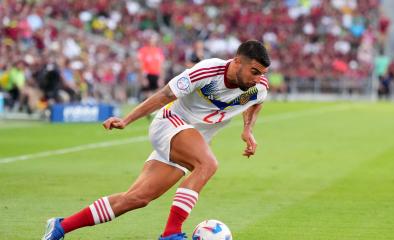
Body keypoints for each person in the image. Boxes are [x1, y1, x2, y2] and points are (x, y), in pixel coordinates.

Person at [42, 40, 271, 240]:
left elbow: (255, 102)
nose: (258, 78)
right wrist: (127, 120)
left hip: (191, 141)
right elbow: (165, 95)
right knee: (207, 164)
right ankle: (171, 234)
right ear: (237, 62)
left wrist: (248, 129)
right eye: (254, 71)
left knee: (136, 198)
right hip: (170, 124)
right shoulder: (207, 71)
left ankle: (61, 226)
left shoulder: (258, 86)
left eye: (261, 73)